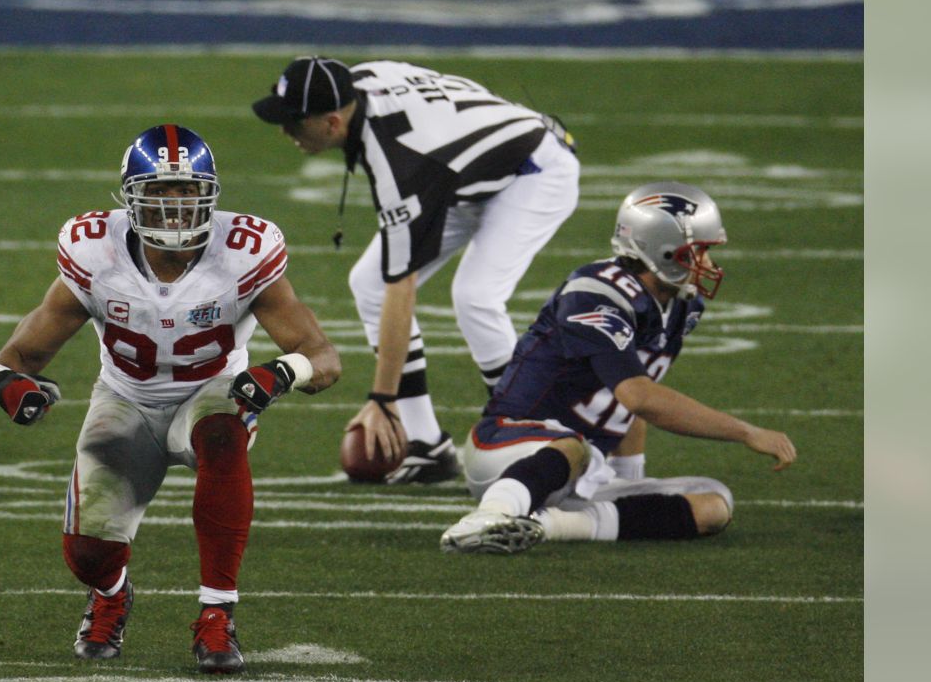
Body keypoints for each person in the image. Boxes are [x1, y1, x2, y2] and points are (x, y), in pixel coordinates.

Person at [0, 124, 340, 672]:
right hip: (126, 397)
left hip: (212, 389)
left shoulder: (245, 250)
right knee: (87, 556)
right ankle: (111, 593)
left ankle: (217, 615)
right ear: (130, 200)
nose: (175, 212)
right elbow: (18, 357)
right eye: (159, 196)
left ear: (210, 196)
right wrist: (9, 387)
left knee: (222, 435)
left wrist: (279, 373)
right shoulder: (94, 250)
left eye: (188, 195)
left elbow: (323, 356)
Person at [252, 56, 580, 483]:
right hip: (462, 174)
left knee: (476, 296)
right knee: (367, 283)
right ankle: (427, 445)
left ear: (333, 122)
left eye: (295, 122)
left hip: (532, 171)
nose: (285, 131)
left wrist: (382, 398)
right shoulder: (361, 80)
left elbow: (401, 288)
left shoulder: (399, 162)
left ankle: (531, 434)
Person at [439, 182, 796, 554]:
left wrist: (629, 480)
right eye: (698, 252)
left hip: (582, 468)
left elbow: (629, 398)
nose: (707, 264)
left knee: (714, 503)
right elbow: (640, 398)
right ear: (664, 251)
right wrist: (746, 432)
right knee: (574, 446)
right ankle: (487, 518)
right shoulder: (597, 293)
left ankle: (547, 526)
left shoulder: (679, 305)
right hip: (507, 450)